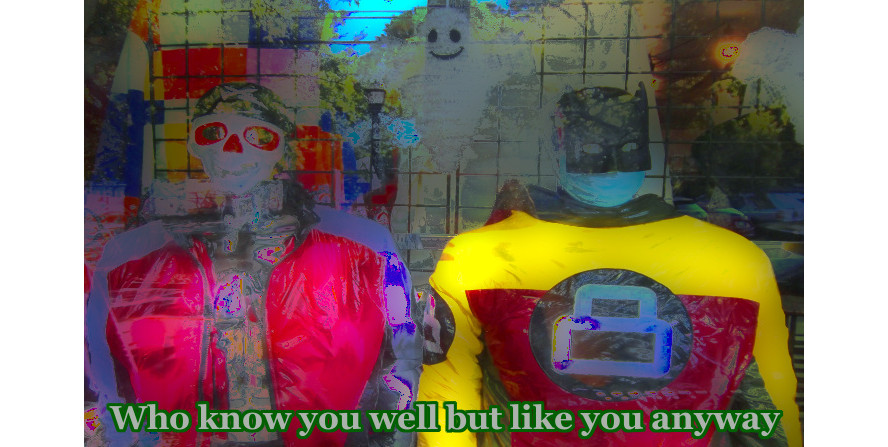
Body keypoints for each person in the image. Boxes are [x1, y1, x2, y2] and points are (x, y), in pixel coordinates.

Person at [417, 85, 801, 447]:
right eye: (594, 147)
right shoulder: (734, 260)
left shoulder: (478, 256)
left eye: (626, 147)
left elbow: (446, 400)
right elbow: (768, 407)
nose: (611, 164)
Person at [86, 82, 422, 446]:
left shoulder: (364, 249)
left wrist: (391, 439)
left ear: (281, 148)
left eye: (258, 136)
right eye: (213, 133)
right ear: (193, 143)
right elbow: (104, 370)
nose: (232, 149)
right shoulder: (130, 259)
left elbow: (401, 356)